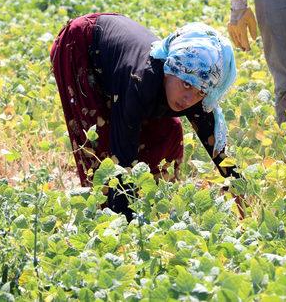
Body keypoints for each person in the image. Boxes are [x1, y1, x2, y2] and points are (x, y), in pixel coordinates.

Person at [50, 13, 239, 220]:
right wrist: (125, 227)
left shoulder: (194, 88)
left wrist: (242, 192)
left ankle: (151, 205)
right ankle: (108, 219)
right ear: (169, 69)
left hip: (123, 65)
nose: (188, 99)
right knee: (102, 146)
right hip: (84, 46)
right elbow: (122, 157)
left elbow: (218, 151)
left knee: (168, 133)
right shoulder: (140, 81)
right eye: (186, 84)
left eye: (200, 92)